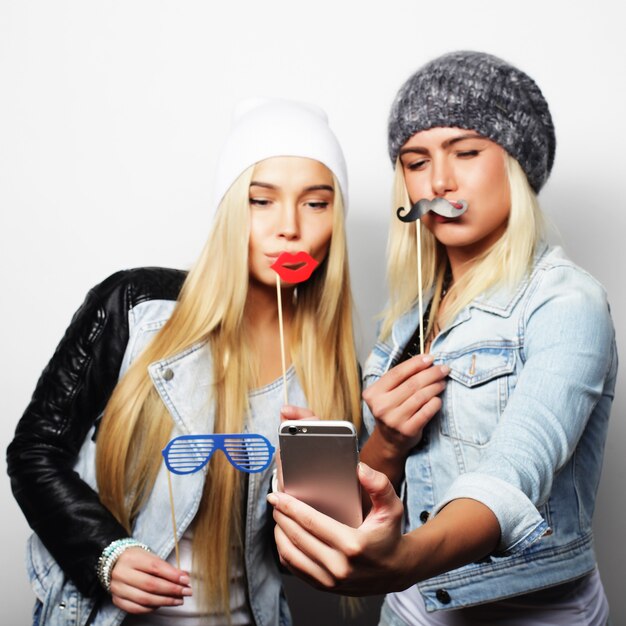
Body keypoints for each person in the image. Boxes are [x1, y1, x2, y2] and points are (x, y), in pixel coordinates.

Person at [268, 51, 617, 625]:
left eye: (467, 152)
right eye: (416, 160)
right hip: (411, 612)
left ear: (517, 165)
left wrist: (402, 561)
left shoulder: (565, 302)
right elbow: (372, 498)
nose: (438, 182)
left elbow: (515, 470)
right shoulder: (408, 320)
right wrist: (385, 441)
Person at [7, 98, 362, 626]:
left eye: (316, 203)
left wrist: (354, 468)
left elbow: (311, 560)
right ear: (228, 210)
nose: (290, 226)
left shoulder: (331, 372)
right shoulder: (135, 308)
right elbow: (35, 452)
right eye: (261, 201)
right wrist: (105, 554)